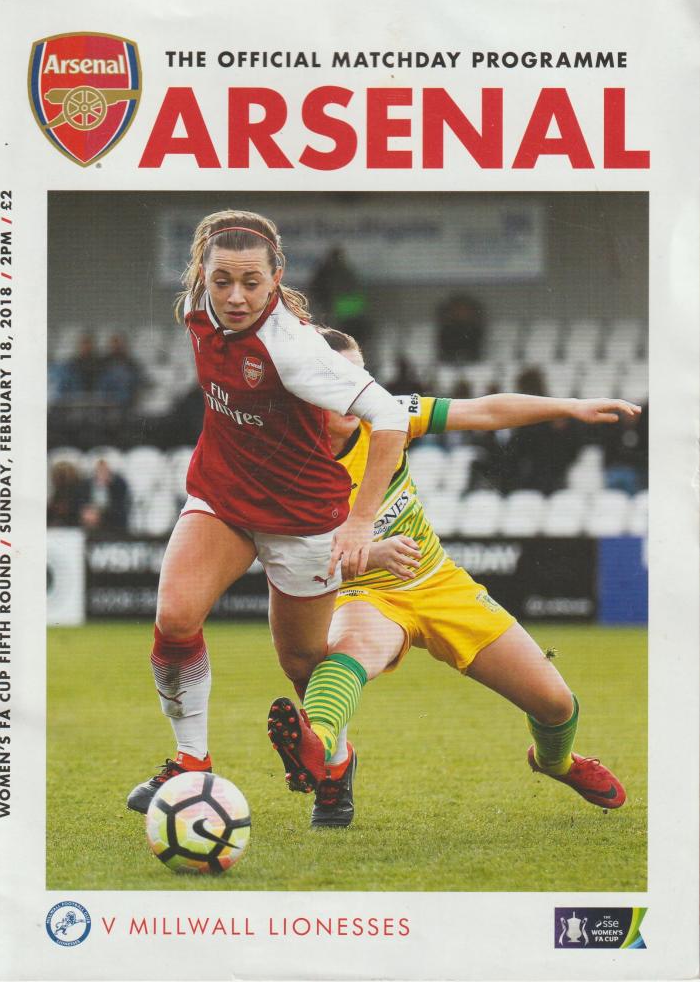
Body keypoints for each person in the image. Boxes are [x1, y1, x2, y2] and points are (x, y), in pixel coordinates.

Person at [267, 328, 641, 828]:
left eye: (361, 377)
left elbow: (484, 411)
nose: (355, 391)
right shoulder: (282, 459)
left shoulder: (388, 414)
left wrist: (570, 406)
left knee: (555, 705)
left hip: (438, 582)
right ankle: (321, 751)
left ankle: (556, 762)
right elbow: (291, 556)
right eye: (338, 380)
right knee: (347, 654)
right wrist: (370, 555)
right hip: (363, 593)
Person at [126, 211, 409, 813]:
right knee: (175, 618)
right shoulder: (197, 309)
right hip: (223, 498)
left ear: (277, 277)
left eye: (251, 282)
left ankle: (334, 763)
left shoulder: (296, 349)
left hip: (303, 518)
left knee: (302, 664)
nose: (235, 296)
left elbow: (390, 417)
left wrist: (360, 523)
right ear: (201, 274)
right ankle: (191, 763)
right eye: (222, 280)